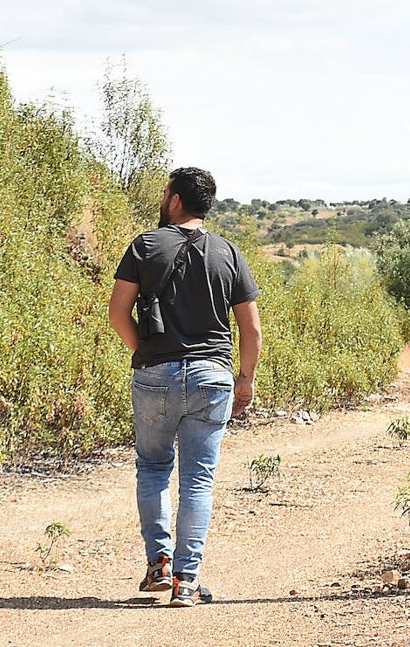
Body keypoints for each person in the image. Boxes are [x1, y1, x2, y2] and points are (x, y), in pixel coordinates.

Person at [109, 166, 262, 607]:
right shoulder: (229, 253)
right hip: (213, 376)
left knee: (154, 467)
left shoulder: (144, 245)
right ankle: (187, 581)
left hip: (156, 375)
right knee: (198, 480)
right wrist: (245, 381)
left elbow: (119, 313)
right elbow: (250, 330)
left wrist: (147, 352)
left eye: (165, 193)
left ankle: (157, 565)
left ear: (175, 200)